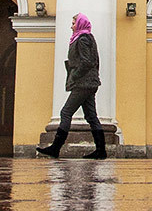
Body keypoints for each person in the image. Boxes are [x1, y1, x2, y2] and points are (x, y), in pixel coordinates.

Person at [35, 13, 107, 159]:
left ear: (80, 24)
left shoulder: (82, 39)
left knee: (66, 112)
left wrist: (75, 75)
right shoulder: (88, 38)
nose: (71, 25)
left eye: (73, 23)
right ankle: (101, 150)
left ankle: (55, 148)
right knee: (91, 116)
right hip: (89, 82)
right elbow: (95, 61)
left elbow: (87, 62)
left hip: (83, 83)